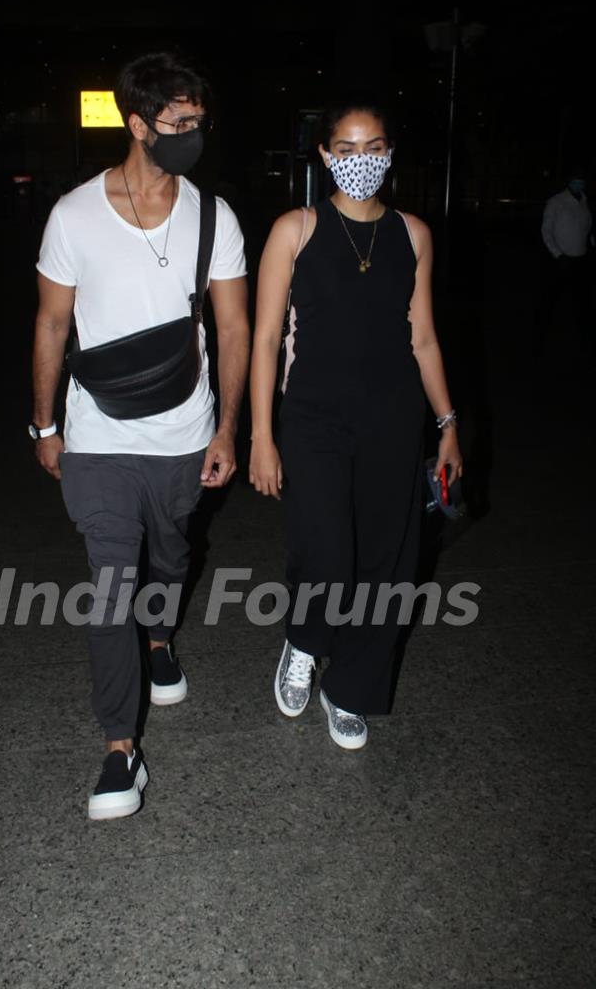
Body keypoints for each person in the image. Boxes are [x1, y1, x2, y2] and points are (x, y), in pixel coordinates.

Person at [31, 52, 249, 818]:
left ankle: (160, 637)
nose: (192, 134)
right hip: (97, 433)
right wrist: (46, 423)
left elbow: (232, 327)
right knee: (108, 587)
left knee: (172, 553)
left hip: (184, 429)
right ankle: (120, 749)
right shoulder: (73, 215)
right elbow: (53, 321)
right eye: (178, 122)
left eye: (199, 121)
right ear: (137, 124)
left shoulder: (214, 215)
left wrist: (229, 428)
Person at [249, 96, 462, 750]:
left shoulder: (414, 234)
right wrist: (261, 434)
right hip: (313, 418)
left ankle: (352, 690)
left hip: (395, 419)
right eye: (347, 147)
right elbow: (262, 342)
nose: (361, 161)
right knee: (326, 551)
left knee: (386, 564)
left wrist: (448, 423)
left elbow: (422, 339)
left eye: (374, 148)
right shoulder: (296, 230)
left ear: (391, 154)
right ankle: (305, 641)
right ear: (324, 155)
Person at [536, 166, 594, 358]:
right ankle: (539, 342)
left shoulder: (584, 201)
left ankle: (584, 343)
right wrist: (558, 254)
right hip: (561, 261)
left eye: (582, 179)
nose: (580, 182)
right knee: (549, 302)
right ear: (570, 180)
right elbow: (546, 231)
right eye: (577, 179)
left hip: (580, 261)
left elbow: (587, 229)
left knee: (582, 304)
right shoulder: (556, 202)